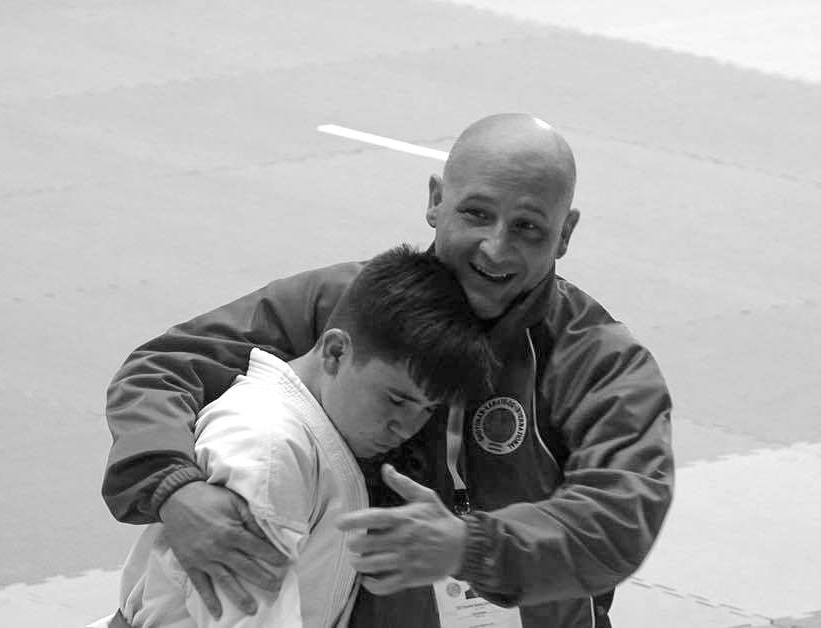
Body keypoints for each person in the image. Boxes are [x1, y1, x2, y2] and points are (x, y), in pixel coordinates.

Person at [102, 113, 674, 628]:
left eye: (528, 228)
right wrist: (175, 490)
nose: (496, 249)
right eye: (476, 214)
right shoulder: (350, 305)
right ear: (436, 200)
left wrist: (470, 547)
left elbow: (622, 516)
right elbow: (162, 369)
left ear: (565, 234)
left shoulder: (597, 360)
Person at [107, 245, 499, 627]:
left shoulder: (310, 435)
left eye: (427, 409)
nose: (406, 427)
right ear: (335, 352)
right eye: (396, 399)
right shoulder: (268, 446)